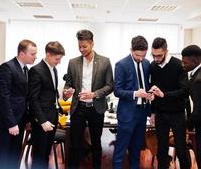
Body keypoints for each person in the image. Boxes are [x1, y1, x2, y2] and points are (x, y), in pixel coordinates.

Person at [63, 29, 113, 169]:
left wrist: (95, 94)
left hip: (96, 109)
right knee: (75, 144)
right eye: (79, 46)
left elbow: (110, 86)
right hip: (78, 108)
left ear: (92, 43)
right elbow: (68, 84)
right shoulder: (73, 62)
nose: (81, 49)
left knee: (96, 143)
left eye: (84, 46)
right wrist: (67, 92)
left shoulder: (105, 61)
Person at [0, 39, 37, 169]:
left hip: (20, 121)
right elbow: (3, 97)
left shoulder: (26, 70)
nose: (35, 56)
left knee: (14, 155)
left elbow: (24, 97)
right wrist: (11, 123)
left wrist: (27, 119)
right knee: (2, 158)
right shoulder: (7, 67)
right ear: (22, 54)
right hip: (6, 123)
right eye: (32, 54)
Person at [149, 37, 190, 168]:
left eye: (159, 55)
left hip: (177, 113)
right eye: (153, 55)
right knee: (161, 147)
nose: (156, 59)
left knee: (181, 147)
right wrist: (153, 113)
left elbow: (185, 91)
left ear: (166, 51)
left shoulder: (179, 65)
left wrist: (164, 95)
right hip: (160, 113)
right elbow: (153, 91)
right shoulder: (152, 66)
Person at [112, 35, 153, 169]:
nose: (140, 58)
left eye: (143, 55)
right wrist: (135, 93)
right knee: (121, 149)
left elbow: (147, 84)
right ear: (131, 50)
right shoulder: (121, 64)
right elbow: (117, 91)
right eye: (137, 55)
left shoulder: (147, 63)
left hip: (142, 113)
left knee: (137, 148)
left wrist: (150, 94)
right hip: (127, 114)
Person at [28, 41, 65, 169]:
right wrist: (42, 121)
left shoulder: (54, 70)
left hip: (53, 117)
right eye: (57, 59)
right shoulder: (36, 71)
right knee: (39, 155)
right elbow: (33, 99)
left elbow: (51, 93)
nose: (59, 62)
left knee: (46, 153)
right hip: (42, 120)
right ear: (48, 55)